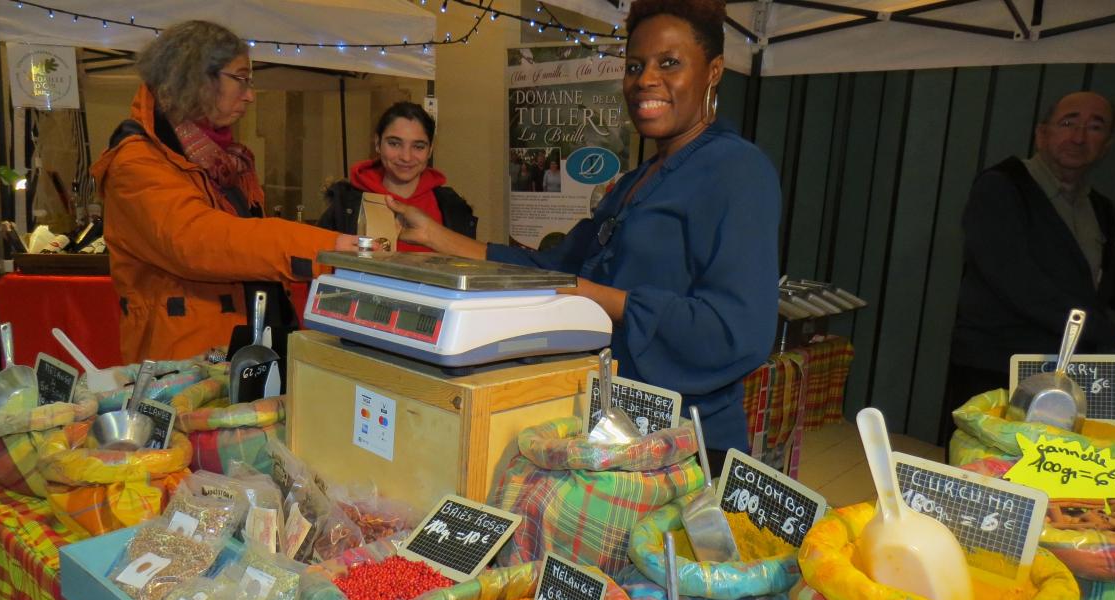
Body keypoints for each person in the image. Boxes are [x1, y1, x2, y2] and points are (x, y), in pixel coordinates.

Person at [387, 0, 780, 470]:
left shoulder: (738, 171)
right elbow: (553, 269)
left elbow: (738, 331)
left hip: (686, 447)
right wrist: (436, 237)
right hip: (610, 430)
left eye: (669, 63)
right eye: (635, 66)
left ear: (713, 71)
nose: (645, 80)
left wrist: (597, 296)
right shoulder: (636, 182)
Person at [92, 20, 360, 362]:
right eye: (240, 79)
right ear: (197, 78)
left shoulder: (224, 160)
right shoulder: (136, 162)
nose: (250, 94)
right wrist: (321, 248)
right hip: (183, 363)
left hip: (239, 348)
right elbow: (200, 241)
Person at [946, 91, 1115, 437]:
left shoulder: (1099, 207)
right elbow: (1018, 282)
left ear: (1107, 145)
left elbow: (1110, 278)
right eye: (1068, 122)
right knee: (982, 477)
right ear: (1041, 133)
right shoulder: (1001, 187)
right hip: (996, 368)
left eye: (1095, 127)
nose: (1078, 137)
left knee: (1055, 482)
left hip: (1067, 376)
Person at [316, 102, 476, 252]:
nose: (406, 157)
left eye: (418, 146)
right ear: (378, 143)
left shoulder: (453, 207)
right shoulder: (345, 205)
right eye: (394, 143)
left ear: (430, 150)